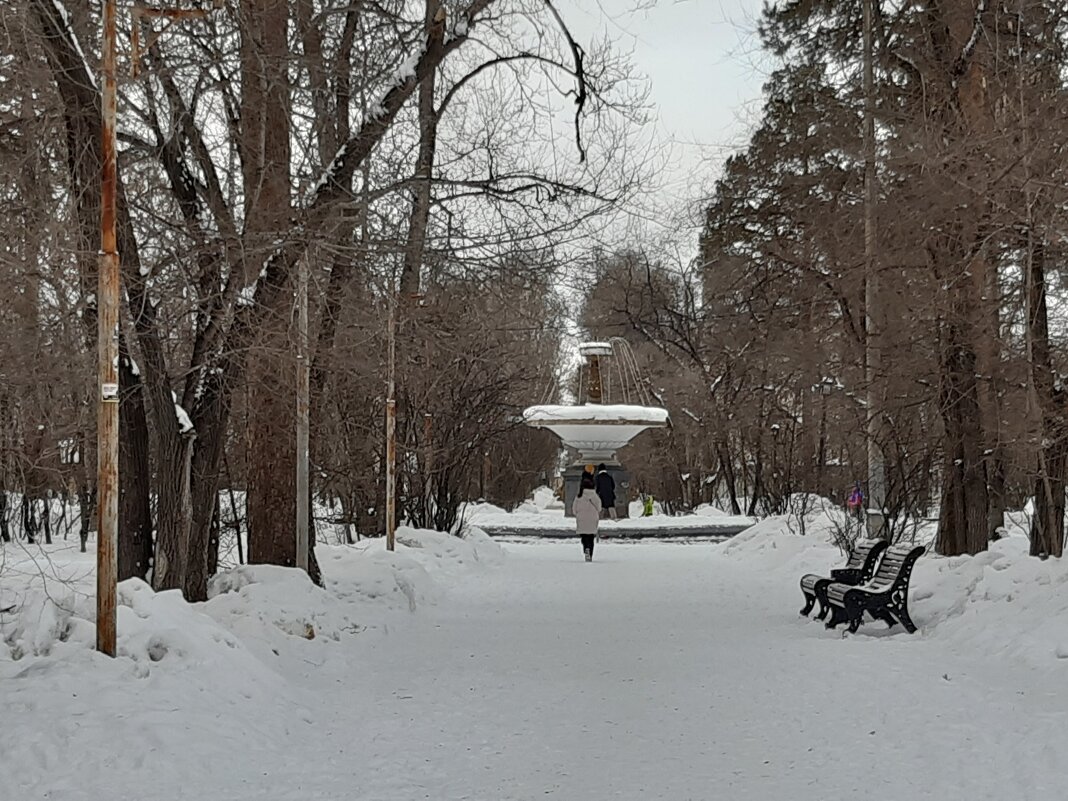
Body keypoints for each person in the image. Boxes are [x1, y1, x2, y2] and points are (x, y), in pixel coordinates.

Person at [574, 472, 602, 561]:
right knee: (591, 537)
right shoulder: (595, 496)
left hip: (582, 519)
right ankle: (590, 553)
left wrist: (578, 514)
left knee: (584, 537)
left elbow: (574, 509)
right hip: (593, 518)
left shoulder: (579, 497)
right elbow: (599, 507)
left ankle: (586, 549)